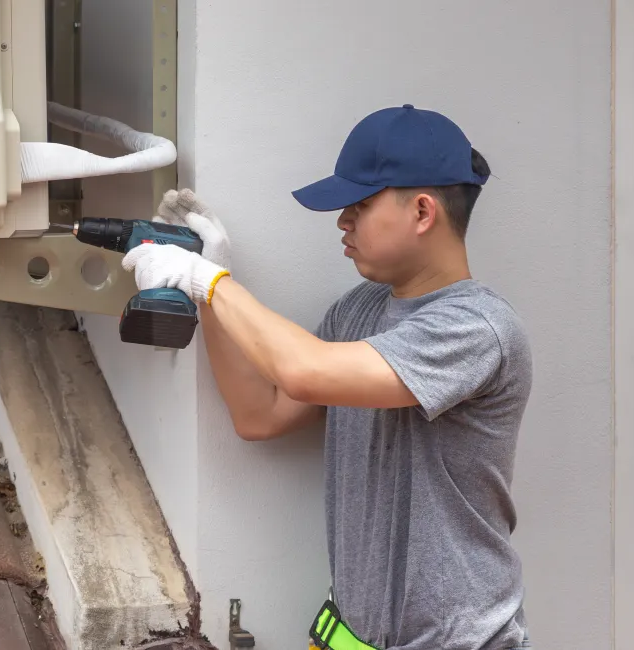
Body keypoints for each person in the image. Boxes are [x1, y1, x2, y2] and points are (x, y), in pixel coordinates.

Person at [121, 104, 534, 650]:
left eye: (360, 205)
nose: (342, 220)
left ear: (423, 211)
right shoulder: (357, 312)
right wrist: (212, 289)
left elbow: (307, 370)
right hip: (350, 638)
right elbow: (259, 414)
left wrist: (208, 280)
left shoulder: (478, 329)